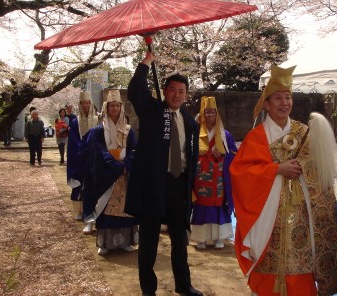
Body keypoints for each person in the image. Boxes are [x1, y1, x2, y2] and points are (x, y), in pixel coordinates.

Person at [230, 65, 337, 296]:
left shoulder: (303, 132)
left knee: (301, 265)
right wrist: (277, 169)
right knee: (271, 269)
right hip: (269, 217)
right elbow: (241, 174)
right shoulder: (256, 137)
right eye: (278, 98)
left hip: (300, 216)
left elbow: (318, 171)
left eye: (288, 97)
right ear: (266, 104)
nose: (284, 102)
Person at [125, 52, 202, 296]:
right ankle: (148, 288)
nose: (176, 95)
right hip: (154, 185)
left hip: (178, 186)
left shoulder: (190, 121)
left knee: (180, 239)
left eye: (181, 91)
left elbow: (191, 156)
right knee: (149, 240)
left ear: (186, 95)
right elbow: (136, 90)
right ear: (165, 91)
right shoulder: (152, 112)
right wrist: (146, 62)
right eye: (172, 90)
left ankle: (184, 284)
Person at [82, 89, 138, 255]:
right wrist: (113, 164)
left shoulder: (129, 130)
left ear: (121, 108)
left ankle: (126, 241)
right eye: (111, 106)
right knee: (105, 207)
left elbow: (134, 150)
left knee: (125, 208)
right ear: (106, 108)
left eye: (117, 106)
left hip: (124, 174)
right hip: (106, 174)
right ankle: (104, 243)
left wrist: (126, 163)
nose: (114, 109)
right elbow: (98, 152)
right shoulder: (98, 131)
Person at [190, 96, 237, 250]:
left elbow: (235, 153)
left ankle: (219, 238)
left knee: (219, 206)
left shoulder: (225, 134)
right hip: (201, 176)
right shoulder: (194, 132)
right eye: (206, 112)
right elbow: (187, 152)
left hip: (219, 177)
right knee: (202, 206)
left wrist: (223, 154)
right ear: (202, 114)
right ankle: (200, 238)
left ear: (217, 114)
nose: (209, 115)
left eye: (212, 112)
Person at [67, 91, 99, 233]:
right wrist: (81, 148)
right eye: (83, 103)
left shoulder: (98, 119)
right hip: (80, 156)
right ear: (80, 105)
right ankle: (79, 211)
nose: (86, 105)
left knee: (93, 185)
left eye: (88, 102)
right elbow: (73, 140)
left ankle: (94, 213)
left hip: (95, 156)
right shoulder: (75, 121)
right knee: (79, 184)